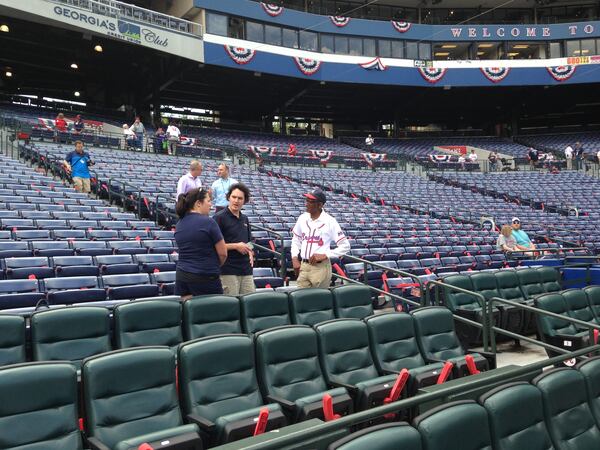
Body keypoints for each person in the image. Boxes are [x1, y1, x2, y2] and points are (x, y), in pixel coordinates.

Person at [291, 188, 350, 289]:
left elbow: (345, 246)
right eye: (307, 200)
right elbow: (296, 240)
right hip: (304, 266)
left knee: (318, 301)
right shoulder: (302, 218)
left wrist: (326, 255)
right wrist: (295, 258)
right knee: (300, 301)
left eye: (311, 201)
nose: (307, 204)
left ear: (320, 205)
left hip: (320, 267)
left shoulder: (330, 221)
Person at [174, 188, 227, 298]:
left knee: (189, 313)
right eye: (208, 201)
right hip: (206, 278)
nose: (211, 205)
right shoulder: (209, 222)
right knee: (213, 313)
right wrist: (212, 266)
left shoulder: (179, 223)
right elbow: (223, 254)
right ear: (198, 203)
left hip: (182, 277)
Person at [214, 183, 255, 296]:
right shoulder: (219, 217)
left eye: (240, 198)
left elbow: (249, 242)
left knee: (249, 303)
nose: (236, 201)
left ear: (244, 201)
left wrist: (250, 251)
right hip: (228, 270)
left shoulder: (244, 219)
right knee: (232, 306)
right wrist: (236, 246)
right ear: (228, 197)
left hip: (246, 270)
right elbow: (214, 245)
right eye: (234, 197)